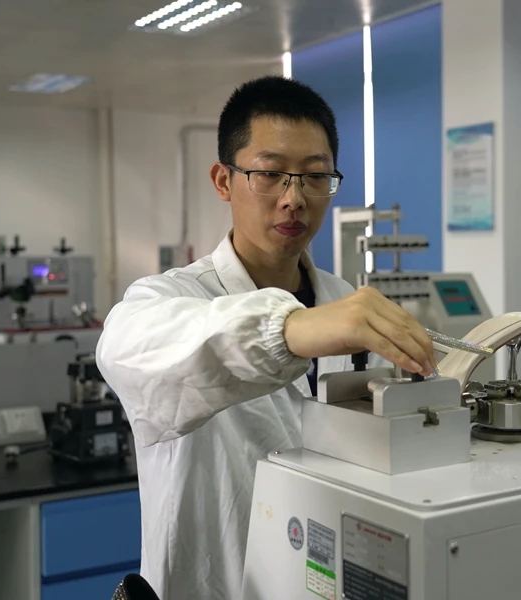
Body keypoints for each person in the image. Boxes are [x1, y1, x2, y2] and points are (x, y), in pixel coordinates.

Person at [95, 75, 436, 600]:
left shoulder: (343, 301)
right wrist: (288, 328)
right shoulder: (171, 296)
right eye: (270, 174)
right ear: (223, 180)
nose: (294, 199)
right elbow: (125, 345)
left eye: (315, 177)